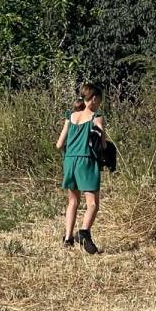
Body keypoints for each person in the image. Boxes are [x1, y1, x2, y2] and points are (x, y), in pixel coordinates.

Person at [56, 82, 106, 254]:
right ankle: (84, 232)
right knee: (92, 203)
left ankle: (68, 238)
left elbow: (59, 144)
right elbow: (102, 143)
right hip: (87, 161)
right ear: (93, 99)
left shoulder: (70, 116)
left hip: (70, 161)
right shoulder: (96, 117)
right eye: (99, 101)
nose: (99, 104)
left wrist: (71, 151)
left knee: (73, 201)